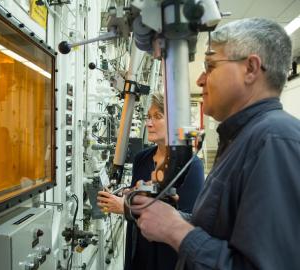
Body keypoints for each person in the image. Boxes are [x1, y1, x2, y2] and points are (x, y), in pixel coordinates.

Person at [132, 18, 300, 270]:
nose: (200, 80)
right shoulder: (242, 139)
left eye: (210, 66)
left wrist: (176, 231)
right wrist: (173, 218)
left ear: (251, 69)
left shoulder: (274, 140)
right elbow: (225, 233)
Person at [97, 92, 205, 270]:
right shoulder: (142, 159)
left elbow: (191, 220)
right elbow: (138, 195)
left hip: (169, 257)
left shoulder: (191, 166)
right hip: (139, 253)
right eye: (148, 117)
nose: (149, 123)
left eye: (157, 117)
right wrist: (124, 194)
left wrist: (126, 207)